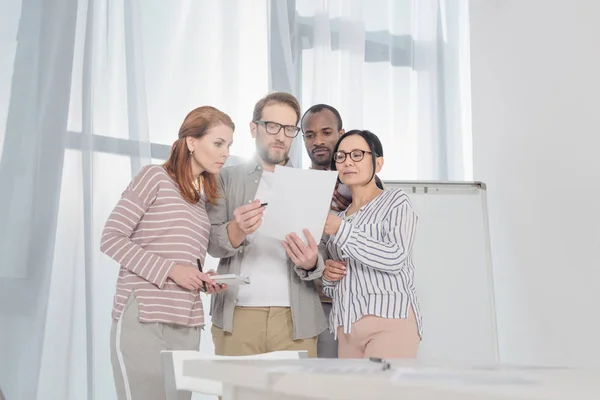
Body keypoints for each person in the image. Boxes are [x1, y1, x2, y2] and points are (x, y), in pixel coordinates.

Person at [100, 106, 232, 400]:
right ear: (192, 142)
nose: (225, 153)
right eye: (218, 143)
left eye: (229, 146)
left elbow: (184, 263)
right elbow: (111, 238)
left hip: (186, 322)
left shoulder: (200, 201)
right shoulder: (154, 178)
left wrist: (202, 278)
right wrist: (172, 270)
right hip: (145, 317)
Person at [207, 92, 327, 358]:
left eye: (289, 129)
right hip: (237, 317)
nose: (280, 136)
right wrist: (237, 229)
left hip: (296, 321)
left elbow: (326, 255)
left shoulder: (312, 184)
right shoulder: (224, 177)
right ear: (254, 128)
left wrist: (311, 262)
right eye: (272, 126)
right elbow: (212, 244)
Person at [322, 130, 423, 359]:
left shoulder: (395, 201)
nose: (348, 161)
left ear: (378, 163)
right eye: (341, 156)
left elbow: (395, 256)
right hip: (346, 326)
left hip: (390, 321)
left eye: (357, 154)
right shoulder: (341, 216)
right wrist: (329, 276)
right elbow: (336, 285)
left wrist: (341, 230)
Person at [300, 104, 347, 358]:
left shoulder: (364, 183)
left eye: (326, 132)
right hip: (318, 305)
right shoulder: (296, 186)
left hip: (364, 304)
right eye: (309, 135)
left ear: (341, 133)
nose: (318, 141)